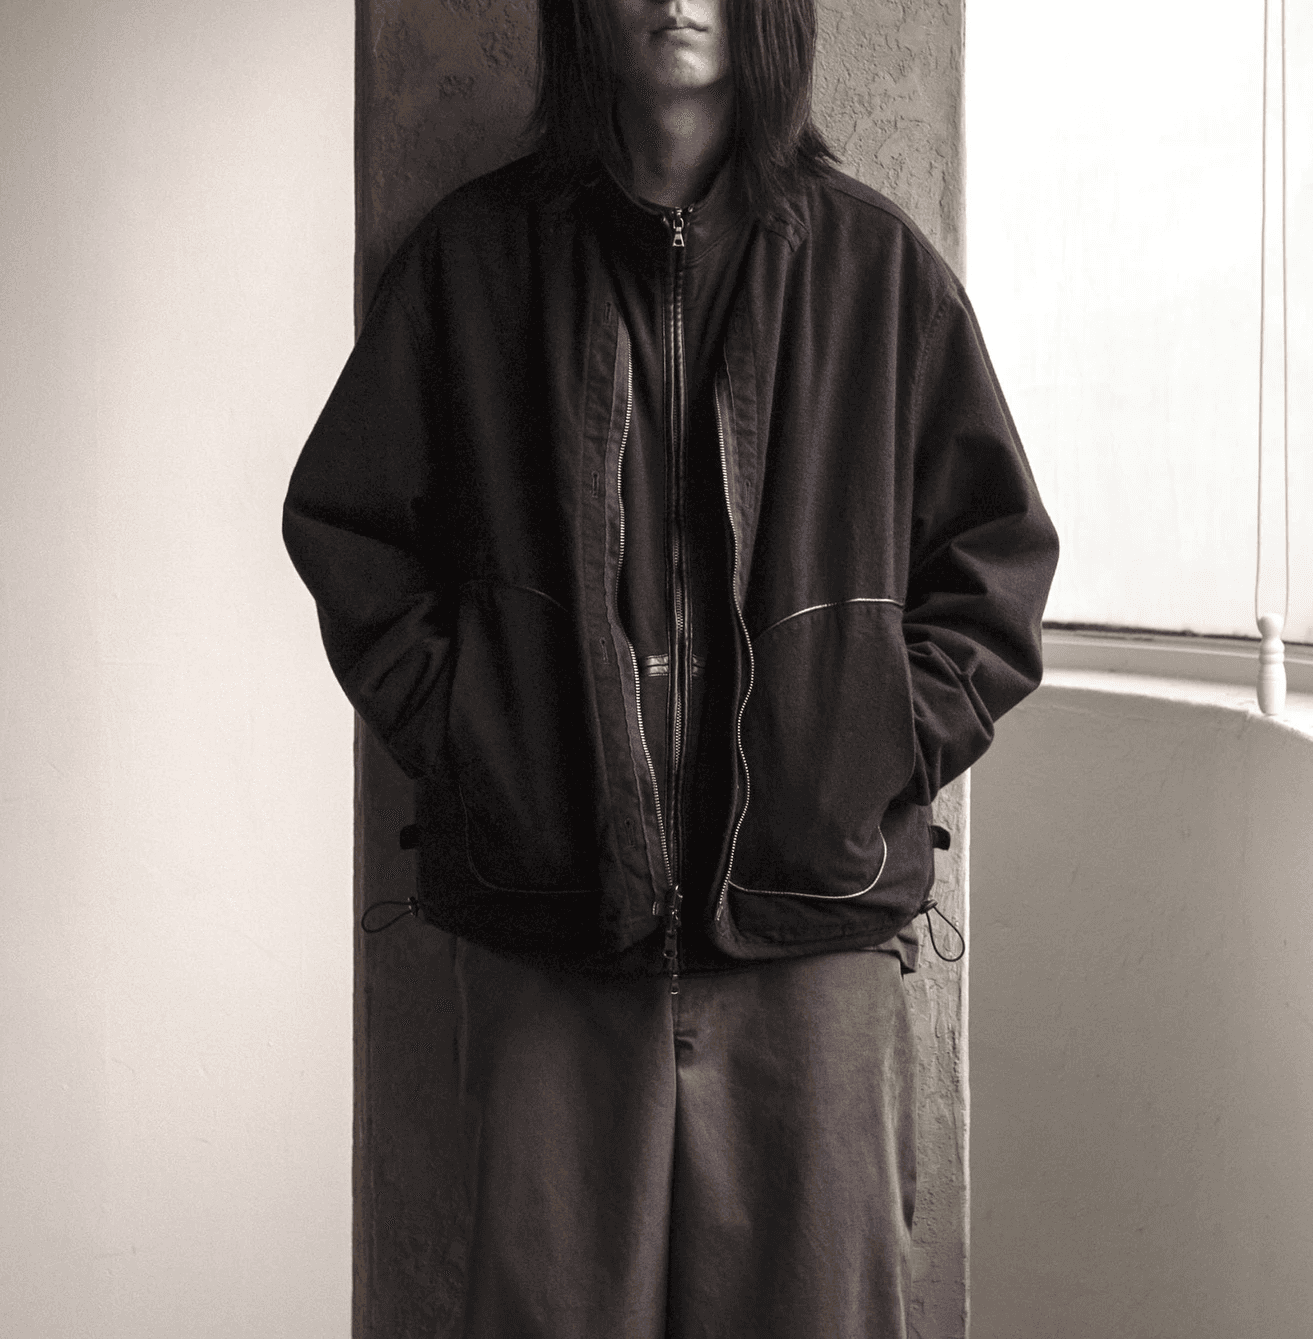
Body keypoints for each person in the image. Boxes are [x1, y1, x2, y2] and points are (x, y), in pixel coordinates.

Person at [284, 0, 1058, 1333]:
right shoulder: (476, 262)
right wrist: (479, 734)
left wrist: (870, 742)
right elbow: (351, 531)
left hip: (812, 943)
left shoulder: (876, 272)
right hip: (554, 934)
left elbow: (997, 567)